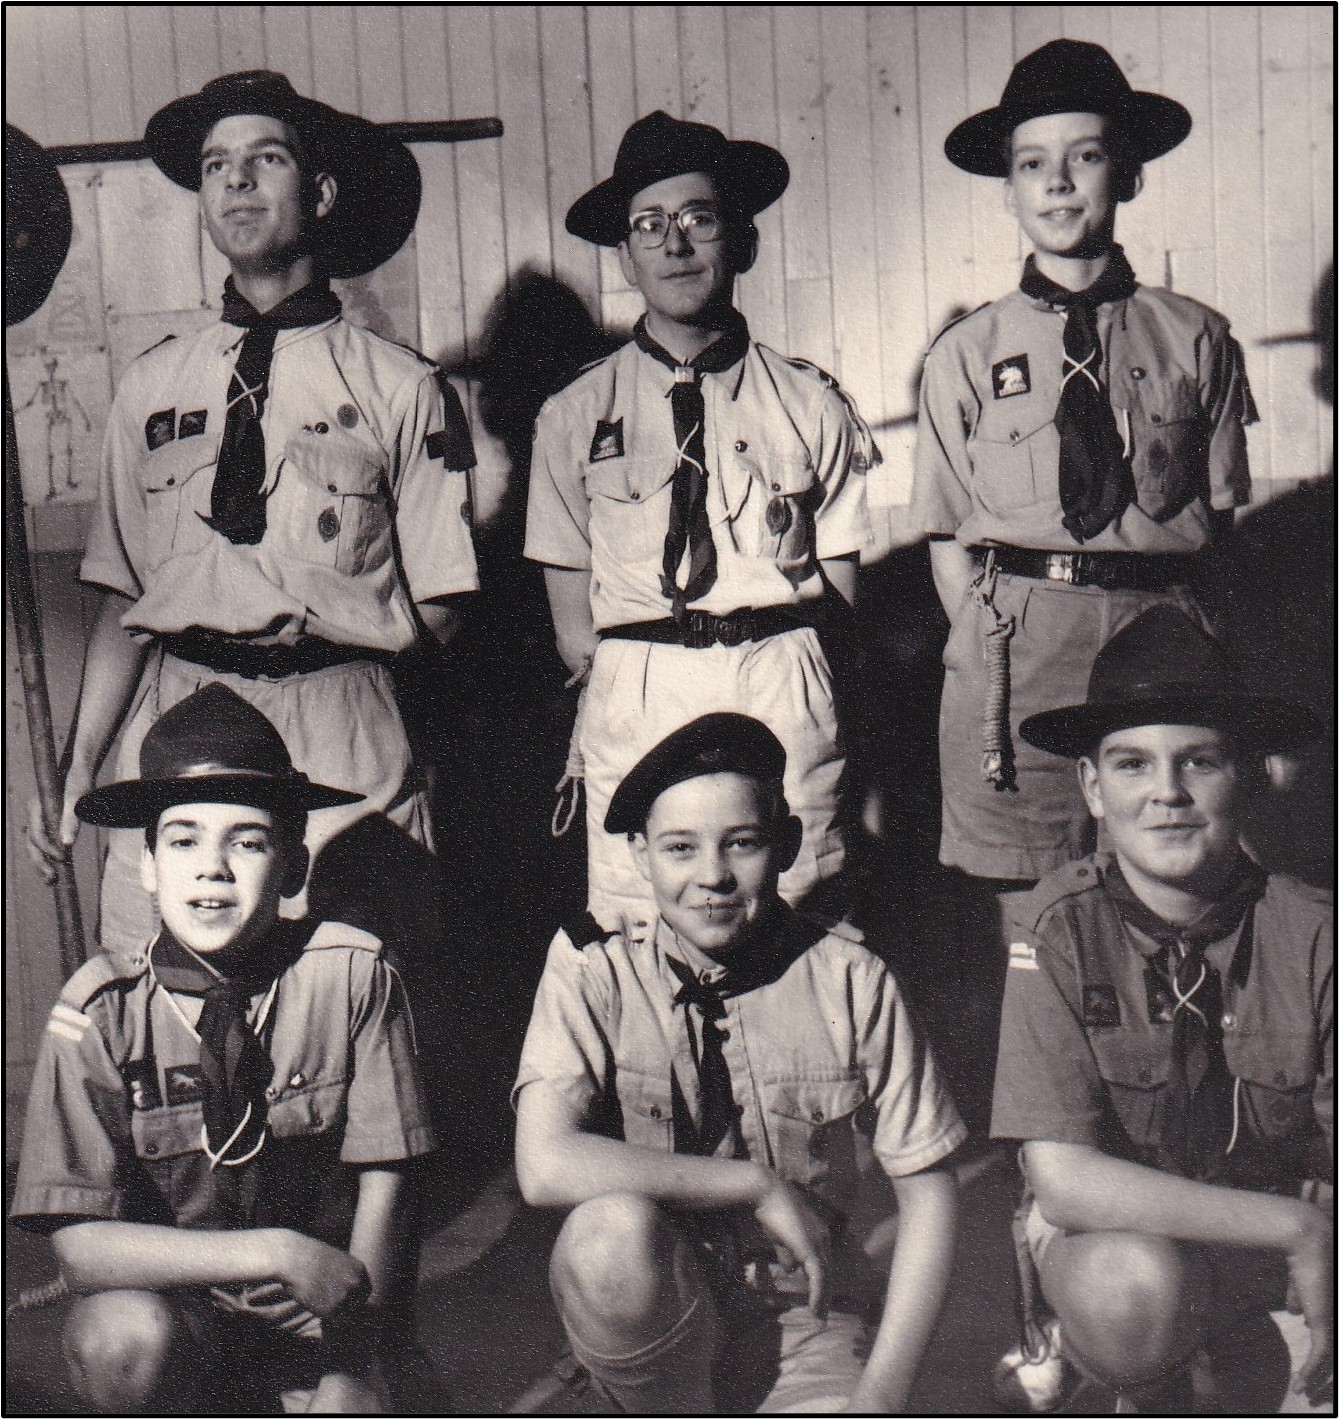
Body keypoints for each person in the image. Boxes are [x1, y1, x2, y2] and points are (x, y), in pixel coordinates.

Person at [29, 70, 479, 956]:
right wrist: (79, 763)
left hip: (341, 719)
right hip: (183, 709)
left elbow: (443, 608)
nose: (235, 181)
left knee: (359, 981)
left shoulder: (401, 386)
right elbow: (124, 601)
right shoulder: (150, 385)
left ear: (319, 194)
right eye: (214, 166)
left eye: (265, 159)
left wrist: (358, 697)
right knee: (165, 997)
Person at [910, 40, 1257, 954]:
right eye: (1032, 164)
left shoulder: (1197, 339)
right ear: (1008, 190)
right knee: (1032, 930)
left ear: (1128, 174)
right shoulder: (964, 354)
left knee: (1170, 905)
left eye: (1086, 156)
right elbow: (947, 537)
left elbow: (1216, 530)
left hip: (1162, 642)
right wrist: (994, 645)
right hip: (1020, 656)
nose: (1058, 184)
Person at [513, 714, 963, 1413]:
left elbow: (928, 1192)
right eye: (679, 848)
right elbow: (543, 1163)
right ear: (639, 855)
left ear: (784, 846)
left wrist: (879, 1395)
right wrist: (752, 1184)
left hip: (802, 1322)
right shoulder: (592, 966)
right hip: (655, 1325)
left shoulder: (851, 978)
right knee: (608, 1234)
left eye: (742, 844)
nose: (712, 877)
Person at [10, 683, 435, 1413]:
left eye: (247, 840)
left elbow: (388, 1190)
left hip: (323, 1311)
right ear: (146, 866)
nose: (213, 867)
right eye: (183, 840)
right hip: (173, 1312)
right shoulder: (100, 1010)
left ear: (293, 869)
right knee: (120, 1342)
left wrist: (349, 1366)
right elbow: (79, 1249)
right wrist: (272, 1250)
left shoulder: (353, 976)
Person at [525, 111, 875, 932]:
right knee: (636, 926)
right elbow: (572, 628)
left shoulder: (810, 402)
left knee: (799, 909)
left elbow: (840, 603)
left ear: (742, 241)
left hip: (776, 676)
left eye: (698, 219)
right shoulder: (575, 414)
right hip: (640, 683)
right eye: (649, 226)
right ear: (624, 256)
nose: (674, 244)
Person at [990, 607, 1332, 1411]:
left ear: (1245, 774)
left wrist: (1313, 1239)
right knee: (1129, 1293)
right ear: (1091, 788)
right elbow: (1065, 1181)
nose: (1166, 793)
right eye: (1132, 764)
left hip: (1275, 1252)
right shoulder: (1054, 928)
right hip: (1114, 1239)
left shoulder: (1314, 931)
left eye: (1198, 762)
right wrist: (1297, 1227)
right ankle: (1105, 1364)